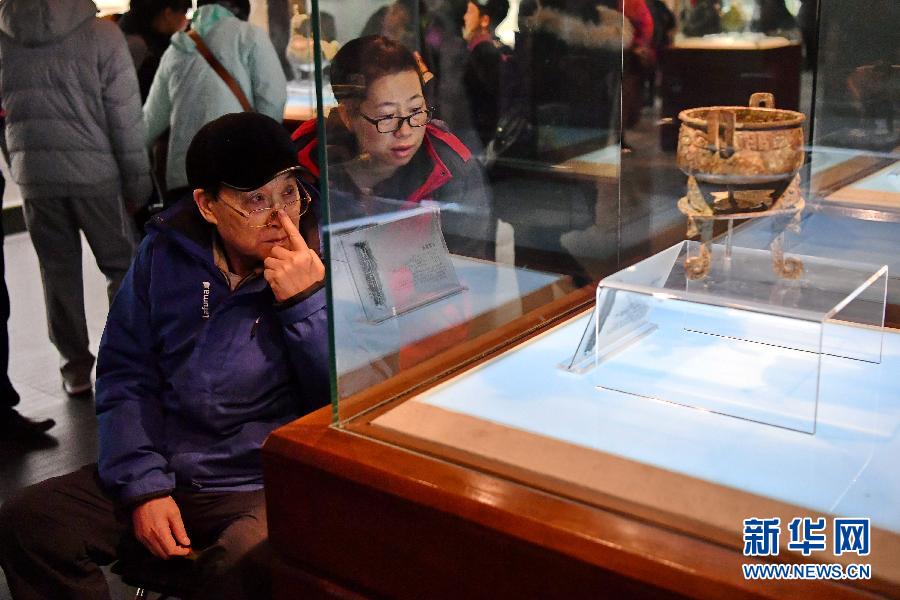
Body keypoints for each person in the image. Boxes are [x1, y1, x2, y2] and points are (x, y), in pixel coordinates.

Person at [0, 112, 329, 600]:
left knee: (248, 561)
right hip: (168, 466)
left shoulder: (324, 252)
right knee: (31, 521)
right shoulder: (166, 251)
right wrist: (145, 486)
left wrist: (306, 304)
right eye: (256, 200)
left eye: (289, 192)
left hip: (259, 478)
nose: (281, 218)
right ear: (207, 205)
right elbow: (126, 373)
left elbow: (342, 399)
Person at [0, 0, 151, 397]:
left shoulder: (4, 37)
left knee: (57, 272)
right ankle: (126, 361)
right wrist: (137, 186)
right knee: (122, 267)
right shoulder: (103, 35)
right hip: (96, 174)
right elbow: (126, 119)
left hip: (35, 176)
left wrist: (17, 165)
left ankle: (75, 367)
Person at [292, 35, 494, 260]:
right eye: (387, 116)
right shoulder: (302, 162)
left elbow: (473, 263)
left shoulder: (452, 167)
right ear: (347, 116)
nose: (405, 131)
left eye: (416, 110)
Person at [143, 0, 287, 202]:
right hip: (240, 173)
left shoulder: (176, 48)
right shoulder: (248, 35)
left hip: (185, 175)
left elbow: (150, 121)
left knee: (189, 223)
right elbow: (273, 99)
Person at [116, 0, 191, 101]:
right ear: (168, 14)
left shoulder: (128, 33)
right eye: (184, 13)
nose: (187, 20)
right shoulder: (140, 48)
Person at [462, 0, 512, 149]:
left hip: (480, 138)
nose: (465, 17)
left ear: (484, 20)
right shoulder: (480, 52)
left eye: (470, 12)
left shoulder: (484, 53)